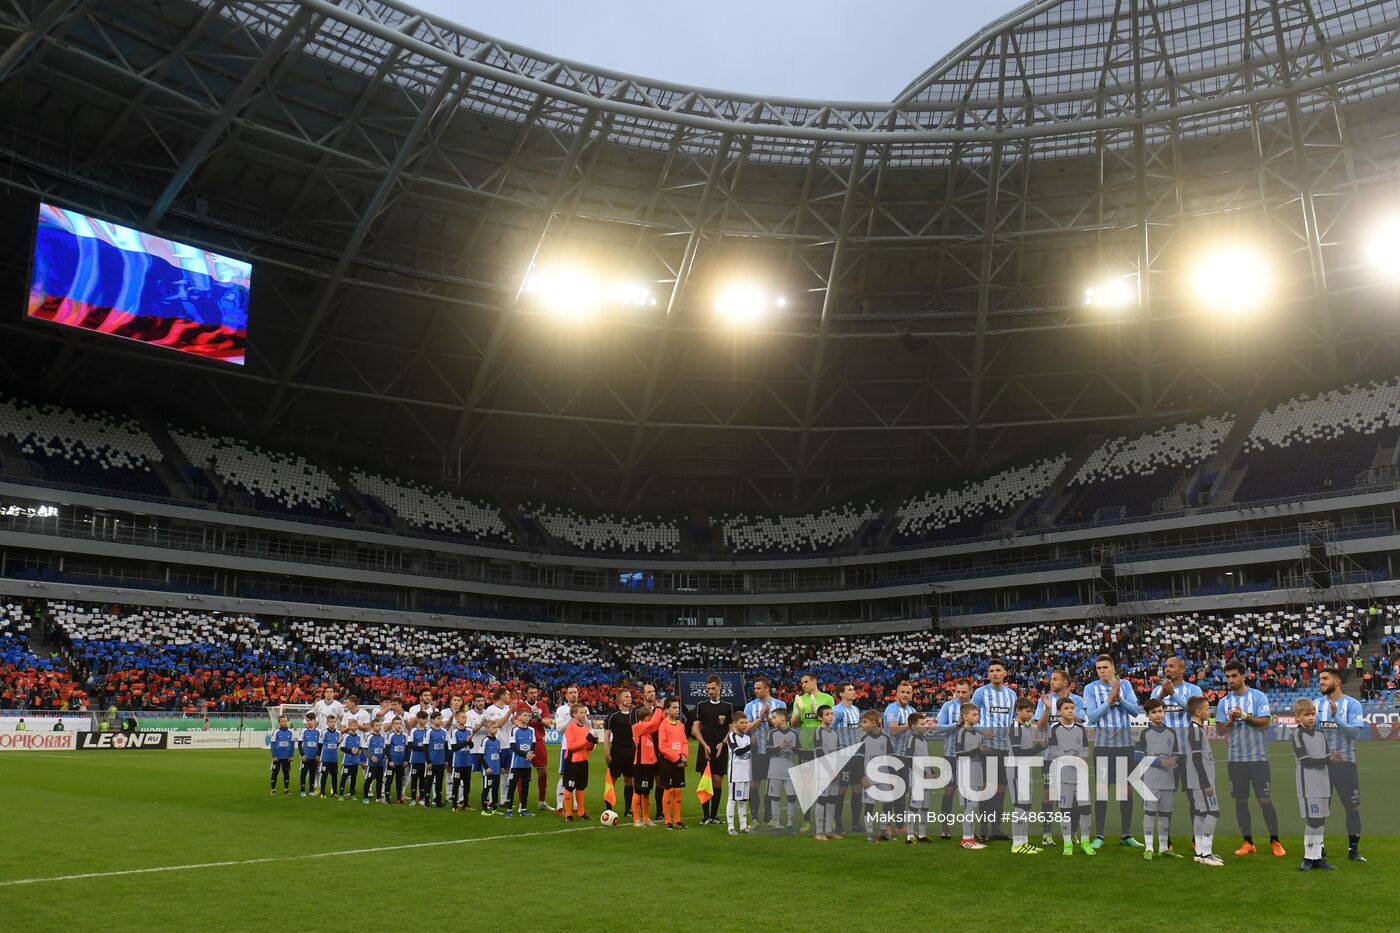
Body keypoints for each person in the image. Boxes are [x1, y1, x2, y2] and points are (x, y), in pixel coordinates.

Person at [1217, 660, 1283, 857]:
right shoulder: (1223, 702)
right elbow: (1220, 731)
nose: (1231, 680)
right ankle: (1248, 842)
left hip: (1258, 759)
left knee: (1264, 799)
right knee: (1241, 801)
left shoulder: (1258, 696)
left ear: (1244, 676)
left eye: (1234, 676)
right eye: (1228, 677)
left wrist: (1244, 716)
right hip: (1235, 759)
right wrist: (1231, 719)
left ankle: (1275, 841)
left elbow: (1264, 723)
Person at [1083, 654, 1143, 849]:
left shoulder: (1125, 685)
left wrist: (1120, 698)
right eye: (1099, 668)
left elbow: (1135, 711)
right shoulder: (1090, 688)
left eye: (1105, 667)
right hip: (1103, 747)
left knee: (1126, 791)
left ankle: (1126, 834)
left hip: (1125, 746)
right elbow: (1091, 717)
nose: (1102, 671)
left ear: (1113, 667)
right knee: (1102, 791)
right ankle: (1099, 835)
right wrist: (1109, 701)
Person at [1149, 656, 1201, 854]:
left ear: (1182, 670)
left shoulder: (1193, 690)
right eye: (1166, 666)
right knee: (1165, 796)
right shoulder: (1157, 691)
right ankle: (1165, 840)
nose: (1167, 669)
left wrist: (1175, 696)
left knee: (1194, 797)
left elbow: (1197, 711)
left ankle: (1197, 839)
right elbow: (1150, 712)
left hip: (1188, 751)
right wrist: (1162, 696)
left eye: (1171, 666)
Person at [1317, 667, 1366, 862]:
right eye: (1320, 679)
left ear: (1337, 682)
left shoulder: (1352, 704)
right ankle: (1318, 848)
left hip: (1346, 765)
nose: (1321, 682)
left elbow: (1355, 733)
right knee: (1319, 808)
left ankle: (1353, 850)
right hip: (1321, 766)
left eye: (1325, 678)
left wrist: (1336, 717)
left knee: (1352, 808)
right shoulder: (1316, 704)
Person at [971, 659, 1017, 840]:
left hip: (1004, 748)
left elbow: (1013, 720)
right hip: (987, 748)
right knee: (987, 789)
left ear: (1005, 673)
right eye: (991, 671)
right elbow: (970, 716)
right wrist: (982, 732)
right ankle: (983, 829)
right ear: (988, 674)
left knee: (1001, 789)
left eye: (998, 670)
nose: (995, 673)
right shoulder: (980, 693)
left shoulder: (1011, 695)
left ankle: (996, 829)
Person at [1045, 698, 1095, 857]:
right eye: (1067, 708)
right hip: (1063, 777)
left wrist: (1077, 757)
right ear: (1060, 711)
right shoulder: (1054, 729)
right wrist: (1071, 758)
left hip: (1080, 776)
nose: (1071, 710)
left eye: (1072, 707)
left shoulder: (1081, 728)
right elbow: (1053, 752)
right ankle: (1067, 844)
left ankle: (1085, 842)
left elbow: (1086, 751)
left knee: (1085, 809)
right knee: (1065, 811)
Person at [1292, 698, 1337, 871]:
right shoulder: (1297, 734)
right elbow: (1305, 761)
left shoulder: (1320, 734)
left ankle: (1318, 857)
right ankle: (1308, 857)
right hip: (1308, 784)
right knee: (1313, 820)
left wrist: (1333, 760)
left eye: (1313, 714)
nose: (1311, 717)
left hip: (1323, 783)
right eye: (1306, 715)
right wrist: (1328, 759)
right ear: (1298, 717)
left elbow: (1326, 758)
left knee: (1322, 820)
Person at [1135, 698, 1180, 860]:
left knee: (1165, 814)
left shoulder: (1171, 733)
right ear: (1148, 715)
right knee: (1149, 813)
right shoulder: (1144, 733)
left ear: (1164, 712)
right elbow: (1138, 757)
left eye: (1160, 711)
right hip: (1151, 781)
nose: (1158, 715)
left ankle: (1163, 848)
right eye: (1154, 712)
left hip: (1168, 780)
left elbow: (1177, 754)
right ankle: (1148, 847)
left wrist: (1174, 760)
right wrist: (1161, 762)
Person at [691, 675, 735, 826]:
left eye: (713, 688)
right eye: (708, 689)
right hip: (706, 746)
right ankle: (706, 816)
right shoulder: (701, 706)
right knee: (706, 781)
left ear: (719, 687)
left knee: (717, 781)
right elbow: (695, 729)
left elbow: (731, 729)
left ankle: (715, 816)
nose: (711, 691)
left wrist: (723, 743)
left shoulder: (727, 706)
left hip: (720, 747)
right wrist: (704, 745)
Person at [1185, 695, 1223, 867]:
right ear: (1198, 711)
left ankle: (1199, 852)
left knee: (1200, 813)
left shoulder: (1195, 729)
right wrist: (1206, 783)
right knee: (1213, 812)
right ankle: (1207, 853)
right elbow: (1197, 759)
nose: (1210, 712)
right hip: (1202, 781)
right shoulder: (1195, 730)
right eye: (1207, 709)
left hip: (1196, 780)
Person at [743, 677, 786, 826]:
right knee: (754, 784)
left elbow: (782, 729)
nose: (755, 691)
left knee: (772, 785)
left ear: (767, 688)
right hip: (756, 751)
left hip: (774, 752)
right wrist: (759, 718)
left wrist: (768, 718)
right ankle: (754, 818)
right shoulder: (749, 706)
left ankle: (769, 818)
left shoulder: (780, 705)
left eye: (758, 688)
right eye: (754, 688)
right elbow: (745, 728)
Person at [936, 679, 972, 839]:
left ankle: (969, 829)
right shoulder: (948, 706)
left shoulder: (976, 707)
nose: (961, 695)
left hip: (972, 756)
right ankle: (945, 827)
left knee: (971, 793)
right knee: (949, 790)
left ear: (970, 691)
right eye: (958, 692)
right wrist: (956, 725)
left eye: (964, 692)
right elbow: (938, 728)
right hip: (951, 755)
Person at [1006, 697, 1042, 854]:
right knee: (1020, 806)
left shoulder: (1025, 727)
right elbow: (1018, 752)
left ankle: (1024, 842)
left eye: (1032, 711)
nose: (1031, 714)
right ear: (1018, 711)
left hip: (1025, 769)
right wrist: (1039, 748)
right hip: (1016, 769)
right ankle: (1017, 844)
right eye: (1028, 711)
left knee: (1026, 807)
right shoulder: (1015, 727)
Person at [882, 680, 917, 831]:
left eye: (907, 692)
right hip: (891, 755)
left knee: (902, 791)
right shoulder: (892, 709)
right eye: (902, 692)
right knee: (891, 791)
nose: (905, 695)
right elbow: (893, 731)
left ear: (911, 695)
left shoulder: (912, 710)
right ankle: (887, 825)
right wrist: (912, 726)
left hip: (906, 756)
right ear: (896, 694)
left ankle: (900, 826)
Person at [856, 709, 893, 843]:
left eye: (864, 722)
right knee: (869, 805)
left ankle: (883, 830)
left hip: (884, 776)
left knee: (888, 803)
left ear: (873, 723)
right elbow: (859, 760)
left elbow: (891, 759)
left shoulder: (886, 739)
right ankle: (870, 832)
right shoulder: (864, 739)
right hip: (869, 778)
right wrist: (862, 777)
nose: (862, 725)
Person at [955, 703, 988, 851]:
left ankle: (970, 838)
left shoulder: (978, 734)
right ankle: (966, 839)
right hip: (966, 772)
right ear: (965, 716)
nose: (977, 717)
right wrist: (977, 750)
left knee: (974, 807)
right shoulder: (961, 732)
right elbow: (959, 754)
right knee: (971, 806)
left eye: (978, 714)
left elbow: (979, 755)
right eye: (974, 715)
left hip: (976, 772)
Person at [830, 682, 862, 835]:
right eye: (850, 690)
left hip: (856, 756)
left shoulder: (855, 710)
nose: (853, 691)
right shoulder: (837, 711)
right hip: (842, 755)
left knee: (857, 788)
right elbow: (830, 732)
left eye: (853, 689)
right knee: (841, 790)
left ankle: (855, 823)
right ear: (841, 694)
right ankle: (838, 822)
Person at [603, 688, 637, 820]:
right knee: (612, 780)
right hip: (617, 751)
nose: (629, 699)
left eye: (630, 696)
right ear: (619, 700)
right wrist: (607, 753)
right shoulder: (613, 715)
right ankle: (608, 810)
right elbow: (607, 735)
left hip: (631, 750)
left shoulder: (634, 715)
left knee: (629, 780)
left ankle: (628, 810)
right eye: (626, 697)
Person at [630, 694, 664, 826]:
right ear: (645, 718)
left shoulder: (647, 731)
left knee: (646, 792)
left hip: (649, 764)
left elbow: (658, 722)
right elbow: (655, 722)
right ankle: (636, 819)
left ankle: (646, 818)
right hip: (640, 764)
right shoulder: (637, 727)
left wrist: (661, 711)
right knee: (638, 791)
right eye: (649, 718)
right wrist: (659, 708)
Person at [517, 685, 552, 812]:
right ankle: (522, 804)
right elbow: (516, 723)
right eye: (531, 693)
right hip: (523, 742)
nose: (534, 695)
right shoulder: (520, 706)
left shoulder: (542, 705)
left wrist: (539, 718)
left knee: (543, 772)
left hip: (538, 741)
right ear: (525, 694)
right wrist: (530, 717)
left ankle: (542, 802)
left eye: (535, 692)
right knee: (522, 774)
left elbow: (548, 724)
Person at [902, 711, 934, 845]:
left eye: (925, 723)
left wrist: (931, 771)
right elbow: (908, 760)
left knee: (925, 806)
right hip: (916, 778)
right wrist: (923, 773)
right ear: (914, 726)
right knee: (914, 806)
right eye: (922, 724)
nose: (925, 726)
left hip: (926, 778)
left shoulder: (923, 740)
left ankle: (922, 834)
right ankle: (909, 836)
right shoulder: (912, 739)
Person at [562, 703, 598, 821]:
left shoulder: (586, 728)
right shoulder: (570, 727)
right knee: (569, 787)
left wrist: (593, 743)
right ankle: (568, 814)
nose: (584, 715)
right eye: (581, 712)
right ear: (574, 714)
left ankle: (581, 813)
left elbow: (588, 748)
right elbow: (571, 746)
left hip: (583, 761)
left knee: (581, 787)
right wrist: (585, 740)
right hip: (572, 762)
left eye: (585, 712)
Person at [553, 685, 585, 813]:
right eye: (570, 693)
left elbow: (588, 726)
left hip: (581, 747)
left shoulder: (584, 709)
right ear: (566, 696)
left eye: (575, 692)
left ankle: (577, 805)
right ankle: (560, 805)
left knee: (579, 777)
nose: (573, 695)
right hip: (567, 747)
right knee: (563, 775)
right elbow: (559, 728)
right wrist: (571, 719)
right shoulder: (561, 709)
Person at [657, 698, 689, 829]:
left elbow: (684, 742)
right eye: (674, 707)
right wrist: (676, 758)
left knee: (678, 790)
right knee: (668, 789)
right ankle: (668, 821)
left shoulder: (680, 725)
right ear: (667, 710)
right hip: (668, 762)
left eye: (678, 707)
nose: (677, 710)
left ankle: (677, 820)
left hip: (679, 761)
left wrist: (684, 755)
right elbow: (662, 746)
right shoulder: (663, 725)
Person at [724, 711, 754, 835]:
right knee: (732, 799)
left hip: (746, 773)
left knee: (743, 800)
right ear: (735, 724)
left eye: (746, 722)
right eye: (741, 723)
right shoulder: (731, 736)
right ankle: (730, 826)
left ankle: (743, 825)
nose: (744, 725)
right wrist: (751, 745)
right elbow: (737, 751)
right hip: (736, 774)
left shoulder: (747, 737)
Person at [504, 708, 537, 818]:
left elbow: (533, 744)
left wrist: (531, 753)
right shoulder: (515, 730)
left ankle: (523, 808)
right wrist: (525, 754)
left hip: (527, 764)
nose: (527, 717)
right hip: (516, 764)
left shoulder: (531, 730)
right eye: (525, 715)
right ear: (519, 717)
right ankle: (509, 809)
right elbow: (512, 747)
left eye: (528, 716)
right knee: (512, 785)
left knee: (525, 786)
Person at [450, 709, 475, 811]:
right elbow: (454, 747)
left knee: (467, 784)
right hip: (458, 762)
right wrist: (466, 741)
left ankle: (465, 804)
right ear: (457, 719)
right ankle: (454, 805)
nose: (465, 719)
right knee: (456, 783)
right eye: (462, 717)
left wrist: (469, 742)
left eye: (465, 717)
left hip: (467, 761)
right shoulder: (454, 732)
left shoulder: (469, 731)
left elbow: (471, 746)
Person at [425, 711, 450, 808]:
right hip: (432, 762)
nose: (440, 720)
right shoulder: (429, 732)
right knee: (429, 781)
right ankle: (427, 801)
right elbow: (425, 747)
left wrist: (446, 760)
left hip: (441, 762)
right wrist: (428, 761)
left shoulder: (444, 732)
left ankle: (438, 801)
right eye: (438, 718)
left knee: (439, 782)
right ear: (432, 720)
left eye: (441, 718)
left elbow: (446, 747)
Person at [481, 721, 503, 815]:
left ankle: (494, 808)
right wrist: (486, 768)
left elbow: (498, 755)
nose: (496, 729)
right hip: (488, 771)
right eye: (493, 727)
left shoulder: (498, 741)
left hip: (496, 770)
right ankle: (484, 810)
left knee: (495, 789)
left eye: (496, 727)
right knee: (486, 789)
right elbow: (481, 756)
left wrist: (500, 767)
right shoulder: (485, 740)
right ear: (488, 729)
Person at [269, 714, 294, 795]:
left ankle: (286, 789)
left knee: (286, 772)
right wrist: (274, 756)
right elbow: (272, 745)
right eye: (283, 721)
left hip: (286, 757)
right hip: (277, 757)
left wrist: (291, 755)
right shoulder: (276, 732)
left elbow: (292, 745)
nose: (285, 722)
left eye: (286, 721)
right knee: (275, 772)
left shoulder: (291, 732)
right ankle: (273, 789)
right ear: (279, 722)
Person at [363, 718, 386, 805]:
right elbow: (364, 749)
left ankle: (378, 797)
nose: (379, 727)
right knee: (369, 779)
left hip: (380, 764)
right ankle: (365, 797)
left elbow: (384, 749)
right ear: (372, 727)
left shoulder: (383, 737)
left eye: (380, 725)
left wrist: (384, 757)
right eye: (377, 725)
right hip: (371, 764)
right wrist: (371, 757)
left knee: (380, 780)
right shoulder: (370, 737)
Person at [297, 712, 321, 798]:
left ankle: (311, 790)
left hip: (314, 758)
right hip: (305, 757)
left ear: (315, 721)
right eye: (307, 720)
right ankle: (302, 790)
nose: (309, 722)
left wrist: (318, 755)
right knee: (303, 773)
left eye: (311, 720)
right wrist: (302, 755)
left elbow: (320, 745)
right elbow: (299, 745)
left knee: (312, 774)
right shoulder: (304, 731)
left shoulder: (319, 732)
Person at [385, 717, 408, 804]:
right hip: (392, 763)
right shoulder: (390, 735)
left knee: (399, 781)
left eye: (400, 724)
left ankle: (399, 798)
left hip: (401, 763)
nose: (398, 726)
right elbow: (386, 749)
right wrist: (390, 760)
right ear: (393, 725)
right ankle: (387, 798)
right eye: (396, 724)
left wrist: (406, 760)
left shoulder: (405, 736)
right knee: (389, 780)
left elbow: (406, 749)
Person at [338, 719, 363, 799]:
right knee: (344, 777)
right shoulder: (346, 736)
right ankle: (341, 794)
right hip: (347, 762)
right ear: (349, 726)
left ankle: (352, 794)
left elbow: (361, 747)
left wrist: (359, 751)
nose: (355, 727)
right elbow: (341, 748)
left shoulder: (359, 737)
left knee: (353, 778)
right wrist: (350, 750)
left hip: (355, 762)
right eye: (353, 725)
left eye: (356, 725)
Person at [407, 715, 429, 805]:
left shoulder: (428, 731)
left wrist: (423, 748)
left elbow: (429, 746)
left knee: (423, 780)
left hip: (424, 760)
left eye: (426, 718)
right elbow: (410, 745)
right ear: (418, 719)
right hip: (415, 759)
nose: (425, 720)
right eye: (423, 718)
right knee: (414, 779)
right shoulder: (413, 731)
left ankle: (421, 798)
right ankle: (413, 798)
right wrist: (423, 747)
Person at [318, 717, 340, 797]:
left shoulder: (338, 733)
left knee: (334, 775)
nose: (333, 723)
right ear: (327, 723)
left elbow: (337, 743)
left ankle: (335, 792)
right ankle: (322, 792)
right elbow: (320, 744)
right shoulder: (324, 732)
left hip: (334, 758)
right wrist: (318, 755)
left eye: (334, 722)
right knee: (324, 775)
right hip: (325, 758)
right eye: (331, 722)